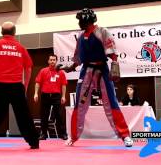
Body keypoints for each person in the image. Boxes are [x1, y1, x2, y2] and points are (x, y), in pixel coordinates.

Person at [62, 8, 133, 147]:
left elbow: (112, 52)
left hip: (102, 70)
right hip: (86, 71)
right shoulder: (81, 36)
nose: (79, 23)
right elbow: (78, 58)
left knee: (111, 102)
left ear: (87, 20)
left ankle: (125, 136)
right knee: (79, 104)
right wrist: (69, 68)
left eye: (80, 21)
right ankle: (73, 136)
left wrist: (115, 66)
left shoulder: (102, 32)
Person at [0, 21, 39, 150]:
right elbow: (28, 68)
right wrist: (25, 85)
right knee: (24, 115)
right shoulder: (21, 48)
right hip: (16, 86)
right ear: (14, 32)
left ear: (1, 32)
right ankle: (34, 142)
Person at [34, 54, 68, 140]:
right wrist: (36, 93)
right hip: (45, 95)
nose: (52, 61)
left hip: (56, 96)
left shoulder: (61, 72)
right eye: (51, 60)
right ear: (48, 61)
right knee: (44, 115)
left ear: (56, 61)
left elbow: (63, 85)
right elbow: (37, 82)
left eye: (54, 60)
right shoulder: (43, 71)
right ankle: (43, 134)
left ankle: (63, 134)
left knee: (59, 115)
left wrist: (63, 96)